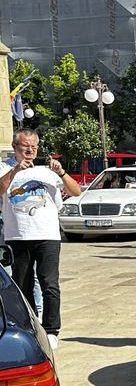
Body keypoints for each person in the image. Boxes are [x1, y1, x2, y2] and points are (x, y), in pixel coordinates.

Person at [0, 129, 81, 349]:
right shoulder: (5, 168)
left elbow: (76, 191)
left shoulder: (47, 172)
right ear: (15, 147)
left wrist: (62, 173)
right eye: (25, 146)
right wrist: (16, 170)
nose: (30, 150)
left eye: (34, 147)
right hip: (18, 236)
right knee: (22, 284)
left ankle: (52, 329)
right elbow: (0, 189)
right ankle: (32, 326)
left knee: (49, 283)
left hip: (47, 235)